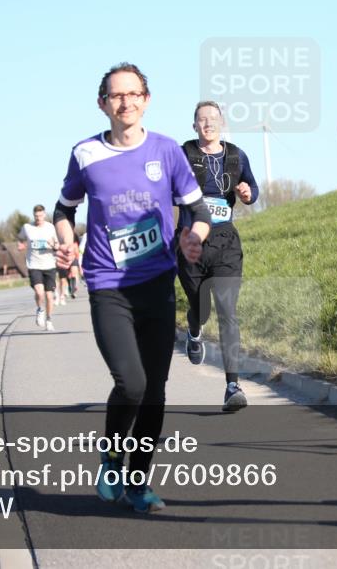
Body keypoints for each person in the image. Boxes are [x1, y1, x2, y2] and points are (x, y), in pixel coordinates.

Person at [54, 62, 211, 513]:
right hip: (108, 286)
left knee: (157, 389)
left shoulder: (167, 152)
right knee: (133, 382)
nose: (126, 102)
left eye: (133, 94)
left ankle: (139, 483)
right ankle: (111, 458)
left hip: (157, 283)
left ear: (146, 99)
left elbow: (198, 212)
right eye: (116, 95)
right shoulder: (85, 155)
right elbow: (66, 210)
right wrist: (67, 244)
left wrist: (193, 238)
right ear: (103, 103)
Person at [176, 101, 259, 411]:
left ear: (222, 123)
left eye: (212, 118)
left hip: (225, 242)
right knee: (202, 309)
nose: (207, 123)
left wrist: (249, 194)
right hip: (191, 241)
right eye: (201, 119)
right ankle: (194, 330)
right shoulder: (183, 154)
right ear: (194, 125)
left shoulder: (236, 155)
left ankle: (232, 385)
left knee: (227, 310)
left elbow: (252, 186)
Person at [16, 204, 59, 332]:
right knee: (39, 293)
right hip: (34, 264)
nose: (38, 218)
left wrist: (53, 245)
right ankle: (40, 310)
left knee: (49, 296)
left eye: (40, 216)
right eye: (36, 216)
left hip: (49, 264)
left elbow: (57, 244)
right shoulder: (27, 227)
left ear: (44, 215)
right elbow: (20, 239)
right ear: (33, 216)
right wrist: (21, 245)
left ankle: (49, 319)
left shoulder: (51, 228)